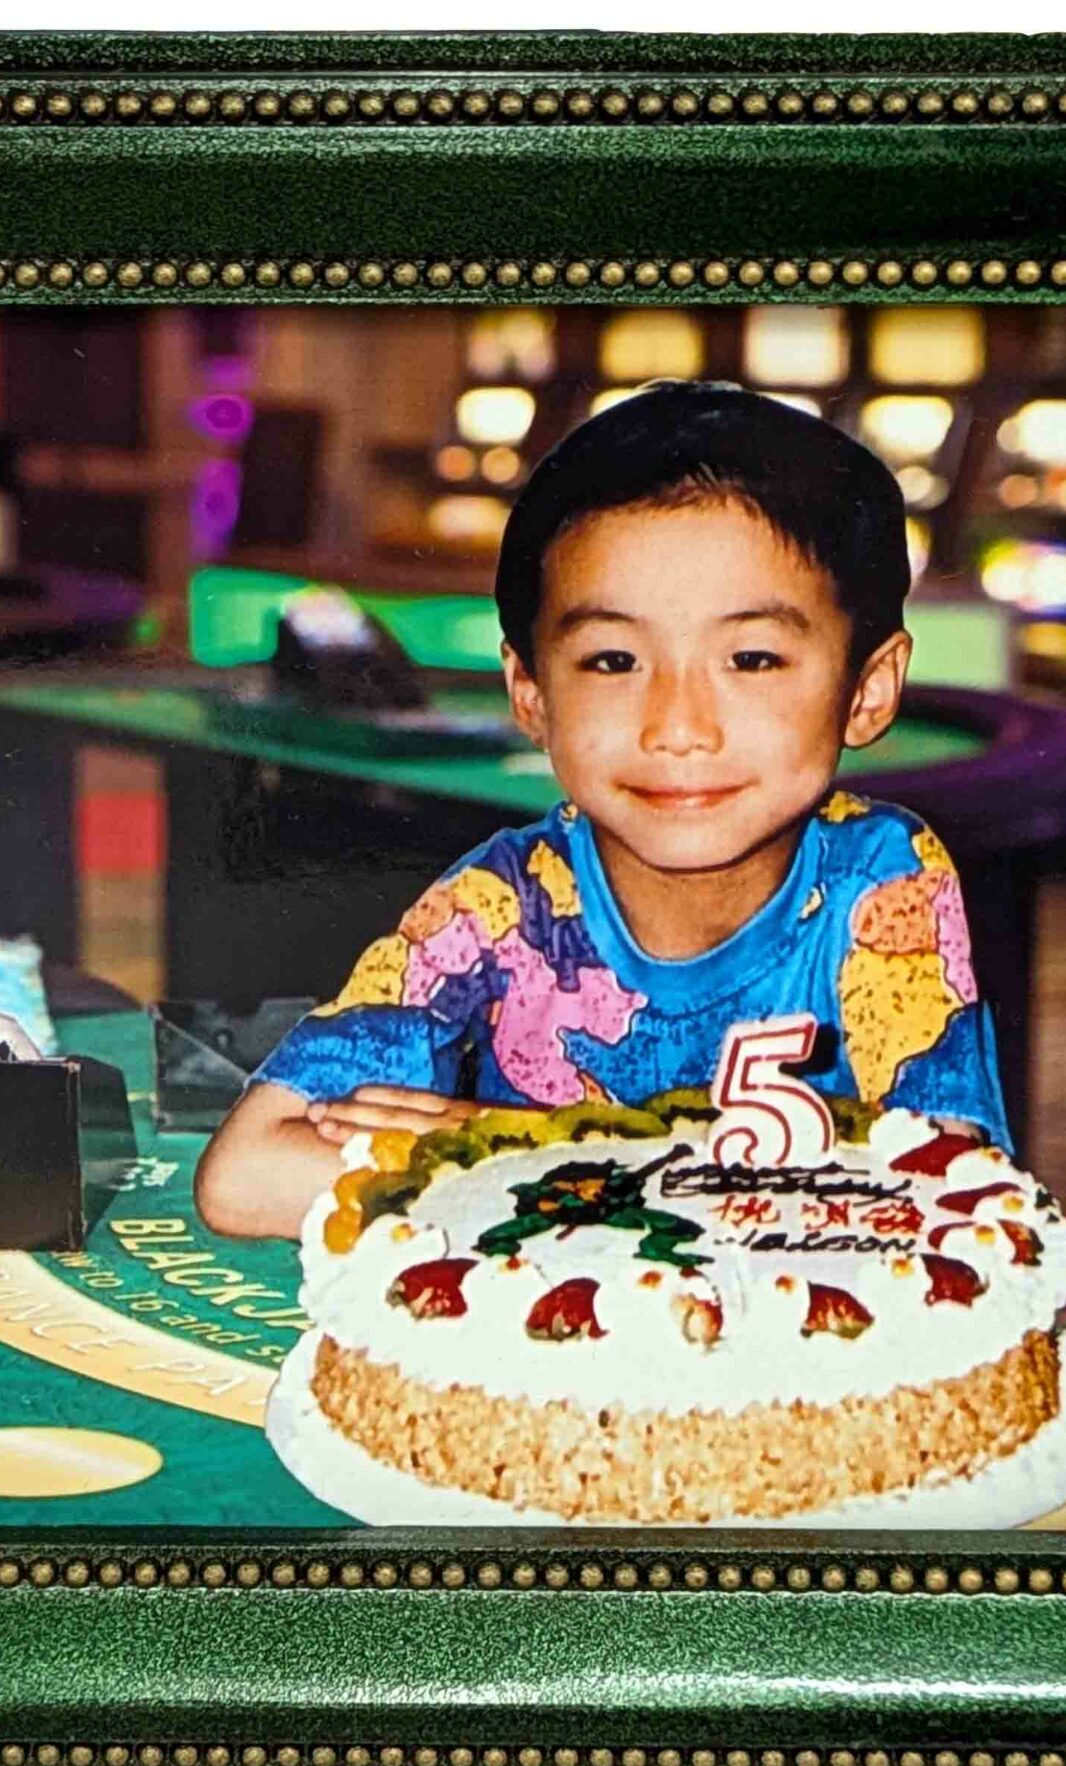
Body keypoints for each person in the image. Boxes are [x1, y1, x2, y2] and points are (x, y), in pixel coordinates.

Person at [193, 382, 1007, 1240]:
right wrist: (690, 1178)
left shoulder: (881, 884)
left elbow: (951, 1197)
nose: (678, 727)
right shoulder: (499, 905)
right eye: (614, 660)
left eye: (753, 659)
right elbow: (246, 1178)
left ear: (867, 689)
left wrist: (537, 1153)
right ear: (531, 694)